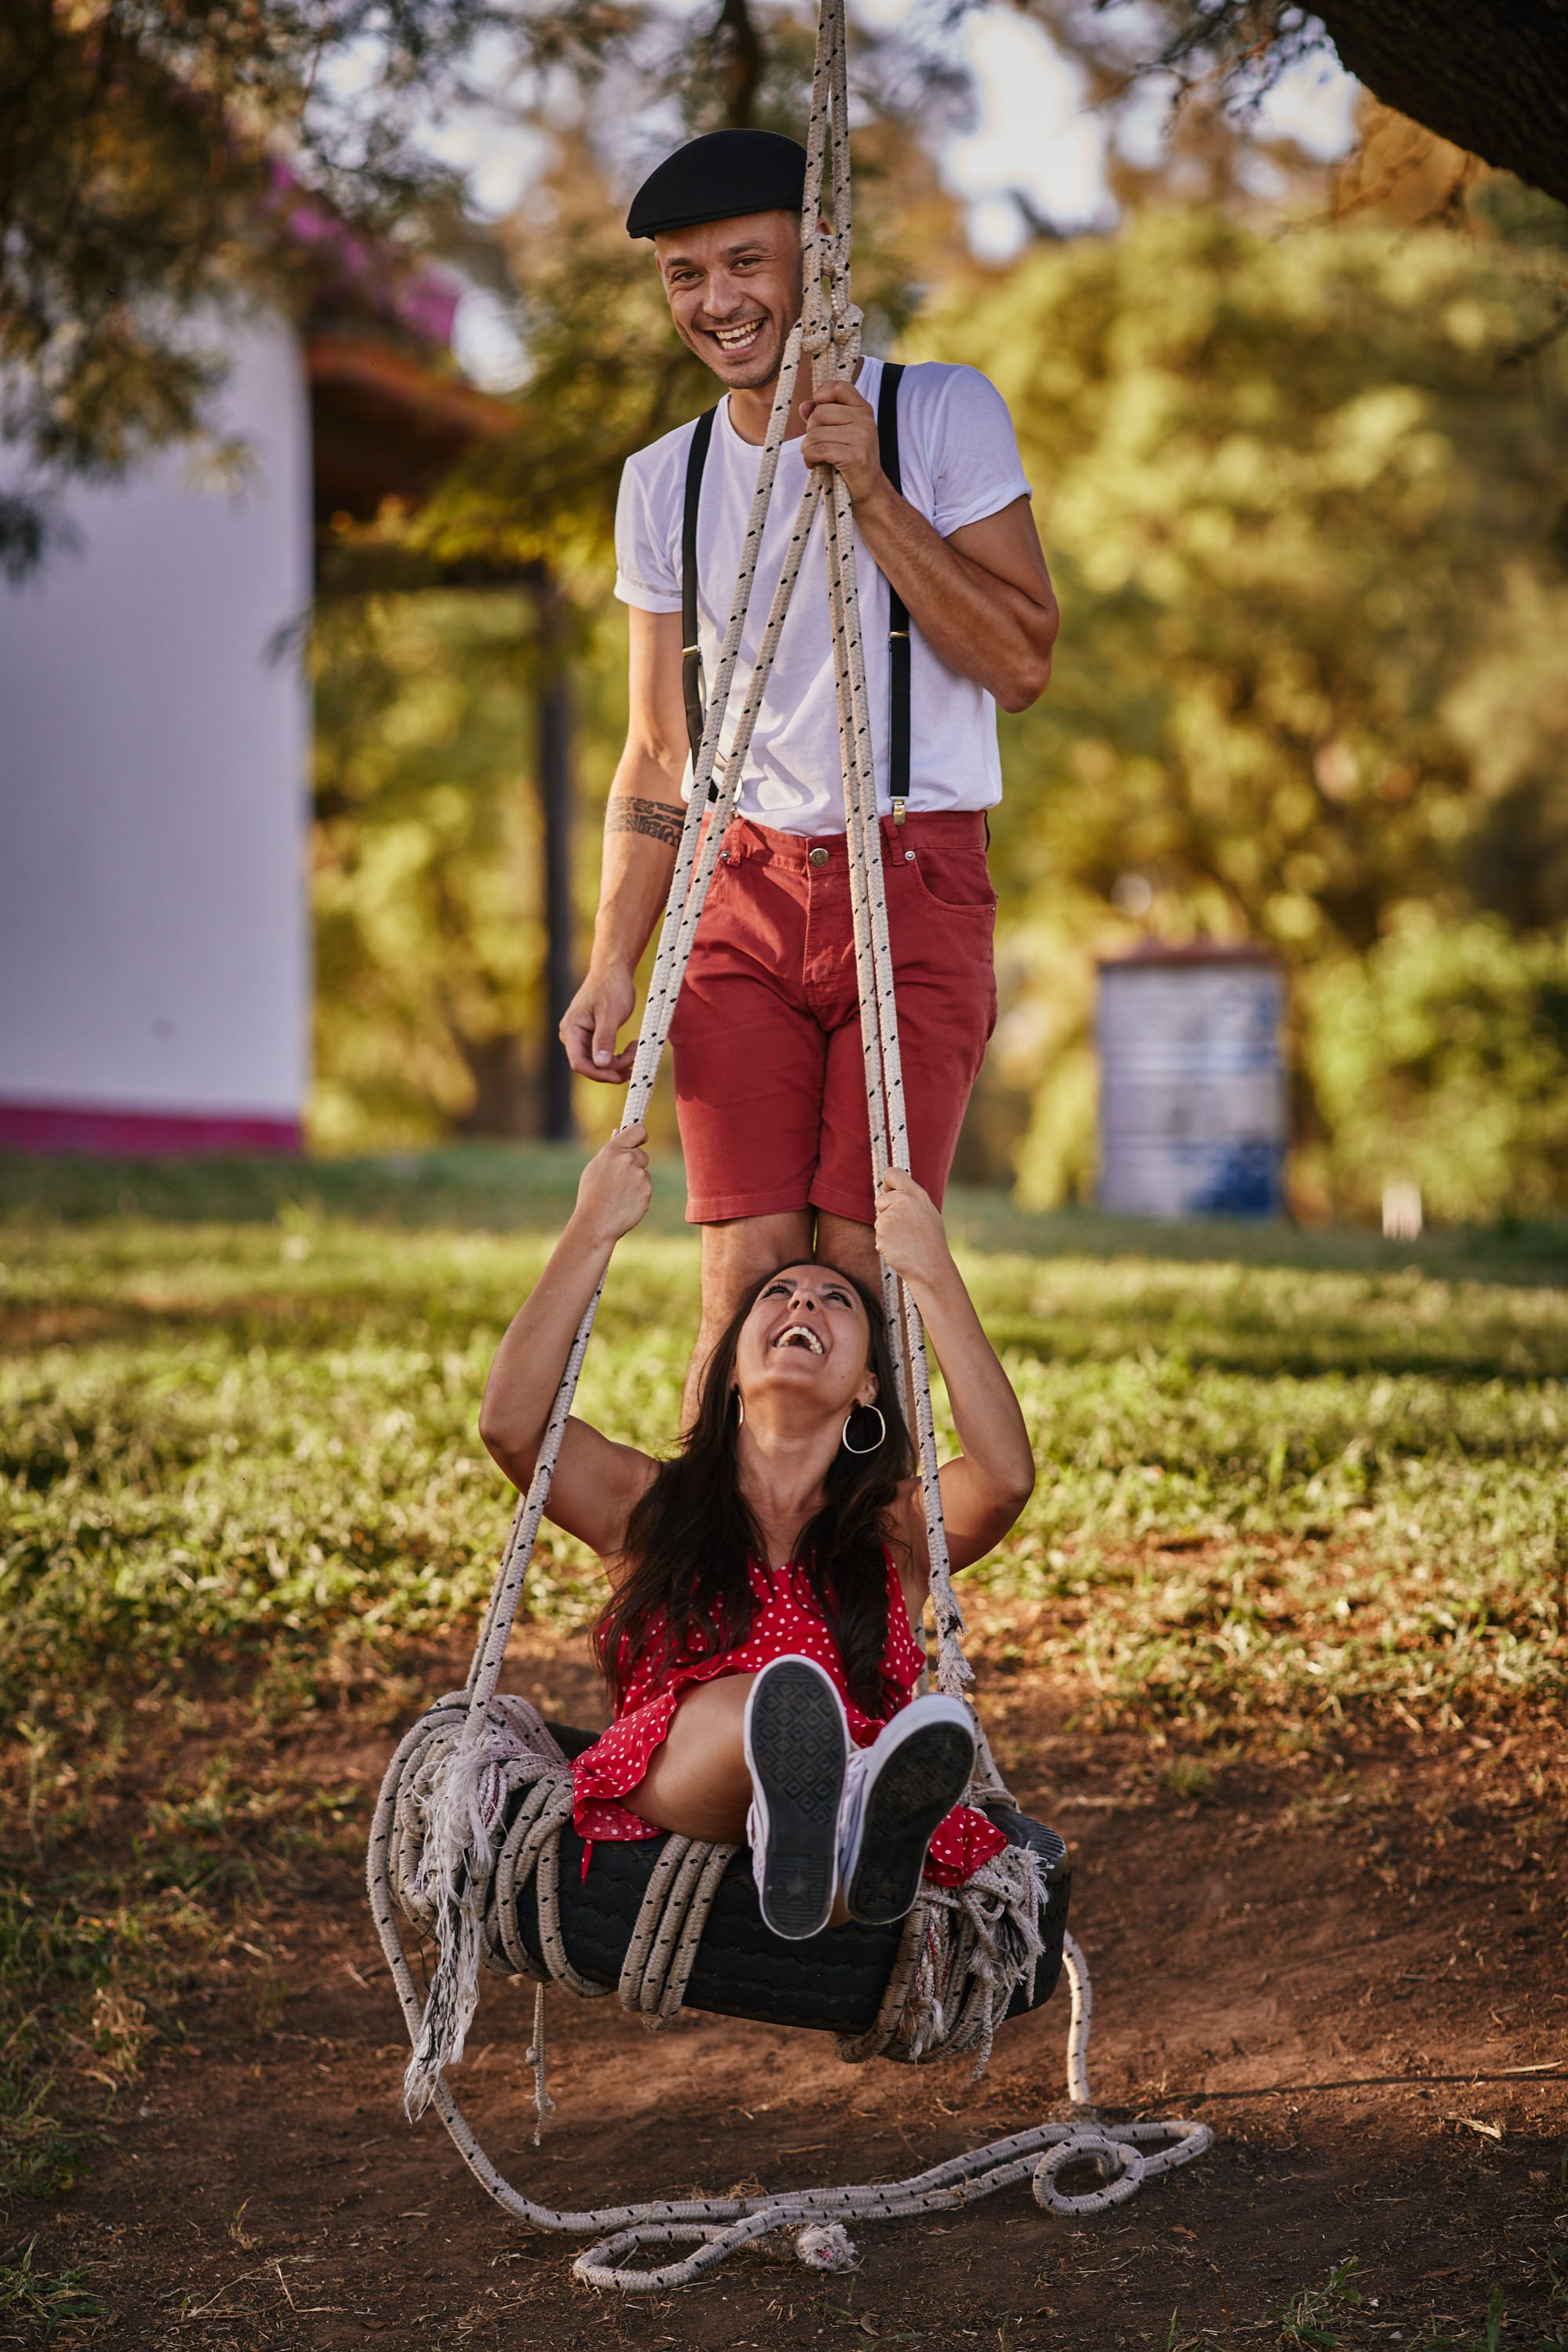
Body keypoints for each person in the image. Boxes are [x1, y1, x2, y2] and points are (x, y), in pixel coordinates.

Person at [558, 129, 1059, 1410]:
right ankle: (704, 1598)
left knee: (860, 1282)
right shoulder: (658, 485)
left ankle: (856, 1602)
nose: (716, 302)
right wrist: (615, 953)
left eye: (743, 262)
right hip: (740, 895)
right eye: (684, 275)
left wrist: (873, 496)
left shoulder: (940, 413)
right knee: (747, 1288)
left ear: (816, 259)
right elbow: (661, 748)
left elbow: (1019, 660)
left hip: (915, 873)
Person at [477, 1124, 1036, 1940]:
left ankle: (841, 1857)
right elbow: (511, 1428)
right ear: (732, 1368)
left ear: (867, 1390)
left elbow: (1005, 1477)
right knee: (768, 1706)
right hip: (686, 1772)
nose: (804, 1301)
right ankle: (833, 1818)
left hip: (852, 1775)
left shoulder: (894, 1532)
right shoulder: (648, 1506)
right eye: (777, 1296)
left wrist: (933, 1275)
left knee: (873, 1735)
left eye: (834, 1300)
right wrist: (590, 1226)